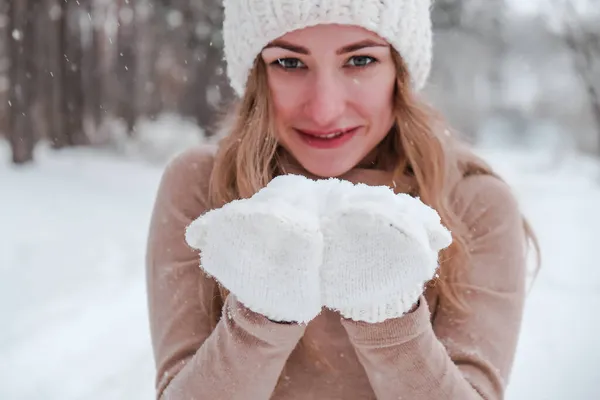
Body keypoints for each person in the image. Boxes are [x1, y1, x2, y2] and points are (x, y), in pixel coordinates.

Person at [145, 0, 539, 399]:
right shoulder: (203, 186)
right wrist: (258, 315)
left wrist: (388, 316)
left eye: (361, 60)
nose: (324, 110)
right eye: (290, 63)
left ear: (399, 71)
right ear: (256, 76)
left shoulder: (474, 203)